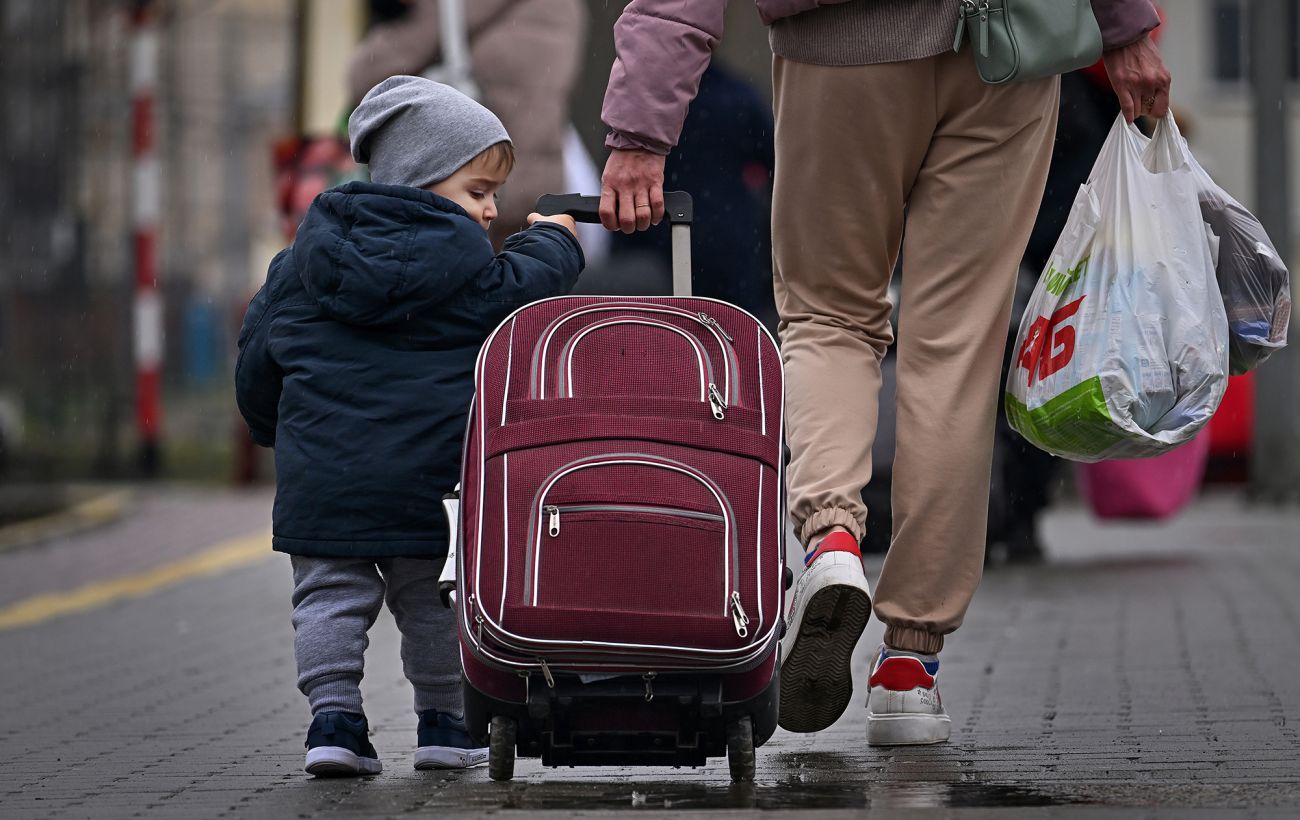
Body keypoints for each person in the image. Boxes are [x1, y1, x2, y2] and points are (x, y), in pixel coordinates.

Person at [599, 0, 1171, 745]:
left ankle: (832, 540)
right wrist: (1127, 30)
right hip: (1003, 46)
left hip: (842, 47)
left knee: (828, 313)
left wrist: (641, 131)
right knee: (957, 346)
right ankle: (911, 666)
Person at [235, 76, 583, 777]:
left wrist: (285, 436)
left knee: (328, 597)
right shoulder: (467, 275)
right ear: (425, 185)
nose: (491, 211)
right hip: (430, 481)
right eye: (478, 192)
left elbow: (257, 367)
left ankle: (333, 722)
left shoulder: (299, 266)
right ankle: (445, 725)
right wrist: (555, 243)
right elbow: (525, 291)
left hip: (322, 478)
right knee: (432, 603)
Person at [347, 0, 586, 251]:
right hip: (527, 176)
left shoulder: (456, 9)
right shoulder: (561, 8)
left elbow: (367, 72)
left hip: (469, 190)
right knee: (520, 273)